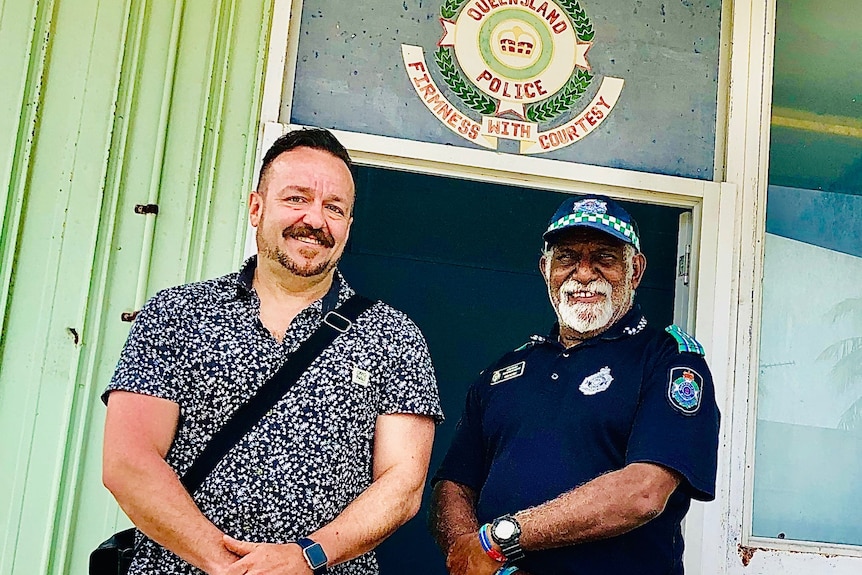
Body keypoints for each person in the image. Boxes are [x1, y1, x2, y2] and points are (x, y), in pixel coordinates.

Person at [102, 128, 443, 575]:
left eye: (334, 208)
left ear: (349, 226)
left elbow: (402, 486)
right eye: (296, 199)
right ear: (256, 208)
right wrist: (225, 566)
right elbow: (129, 460)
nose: (316, 220)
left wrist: (307, 556)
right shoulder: (176, 313)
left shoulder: (394, 335)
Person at [429, 195, 720, 575]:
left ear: (635, 271)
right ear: (544, 268)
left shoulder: (669, 360)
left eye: (605, 257)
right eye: (566, 257)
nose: (584, 274)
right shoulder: (505, 370)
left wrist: (499, 539)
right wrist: (476, 559)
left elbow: (644, 491)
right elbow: (454, 484)